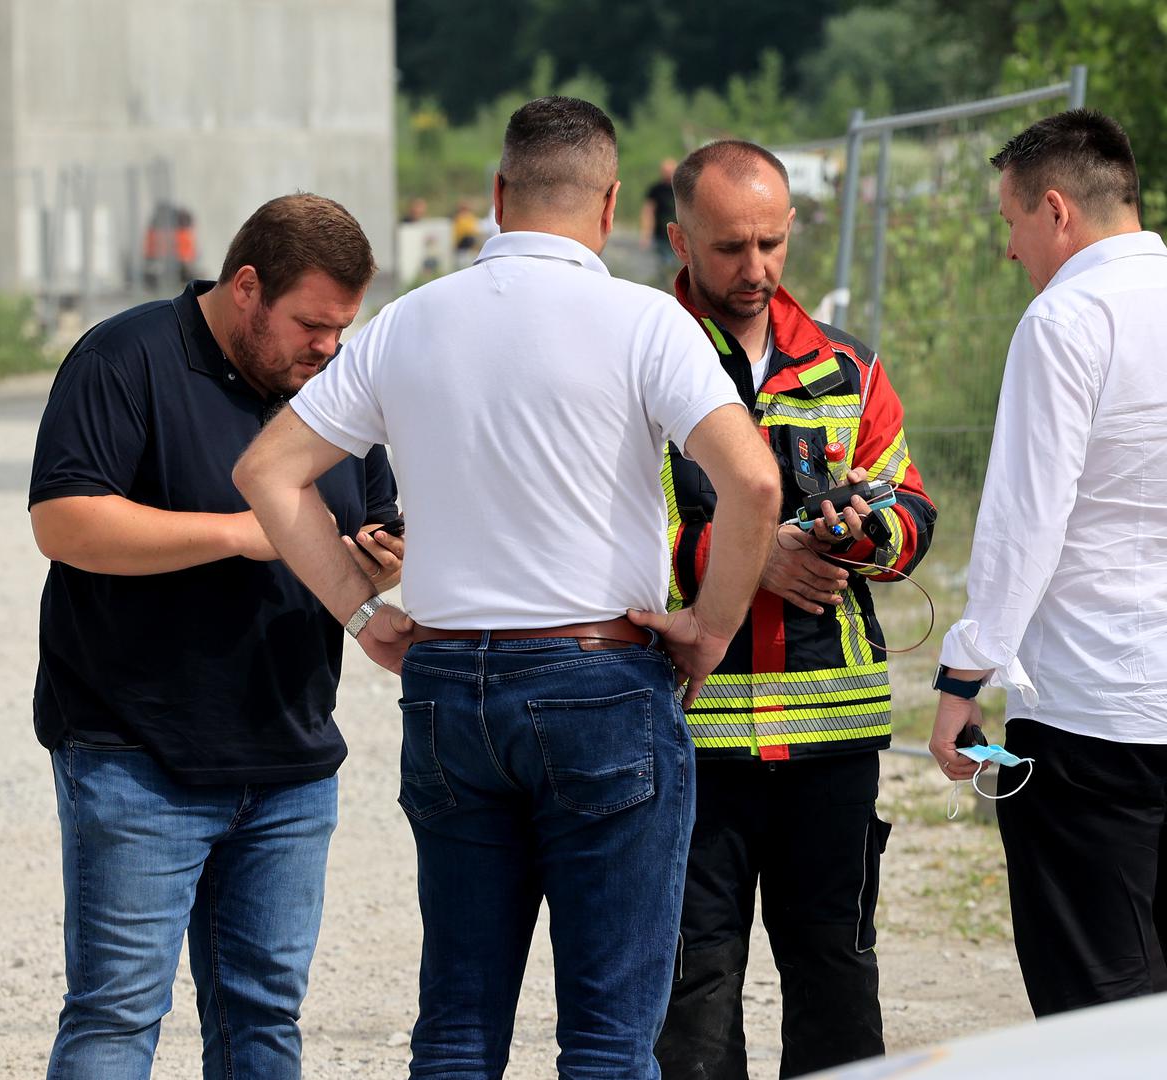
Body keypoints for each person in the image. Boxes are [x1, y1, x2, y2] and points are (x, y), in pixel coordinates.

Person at [233, 97, 781, 1078]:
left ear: (496, 195)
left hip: (449, 690)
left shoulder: (408, 324)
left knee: (456, 1028)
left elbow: (267, 473)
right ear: (612, 204)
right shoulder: (645, 322)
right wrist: (707, 627)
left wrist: (361, 613)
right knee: (609, 1041)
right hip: (600, 680)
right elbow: (751, 480)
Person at [927, 109, 1167, 1018]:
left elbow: (1025, 525)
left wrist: (965, 674)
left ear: (1057, 211)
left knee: (1100, 996)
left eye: (1011, 222)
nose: (1011, 248)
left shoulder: (1063, 320)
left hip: (1091, 718)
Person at [29, 193, 400, 1078]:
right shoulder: (126, 357)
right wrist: (238, 531)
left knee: (264, 1023)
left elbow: (371, 520)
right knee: (118, 1015)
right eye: (311, 324)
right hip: (135, 753)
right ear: (246, 289)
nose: (327, 348)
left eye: (342, 328)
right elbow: (64, 521)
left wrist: (379, 561)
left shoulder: (338, 388)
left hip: (289, 764)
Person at [653, 140, 938, 1079]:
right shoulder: (639, 357)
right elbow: (603, 539)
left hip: (835, 733)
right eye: (731, 248)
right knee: (693, 991)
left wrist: (857, 533)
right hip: (694, 736)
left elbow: (912, 516)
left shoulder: (847, 369)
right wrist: (746, 561)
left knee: (836, 976)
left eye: (772, 243)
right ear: (677, 237)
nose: (757, 269)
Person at [641, 157, 679, 271]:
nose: (668, 174)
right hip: (661, 234)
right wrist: (646, 234)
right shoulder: (655, 189)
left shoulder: (681, 189)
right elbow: (648, 211)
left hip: (680, 233)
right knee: (665, 265)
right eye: (665, 171)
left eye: (670, 171)